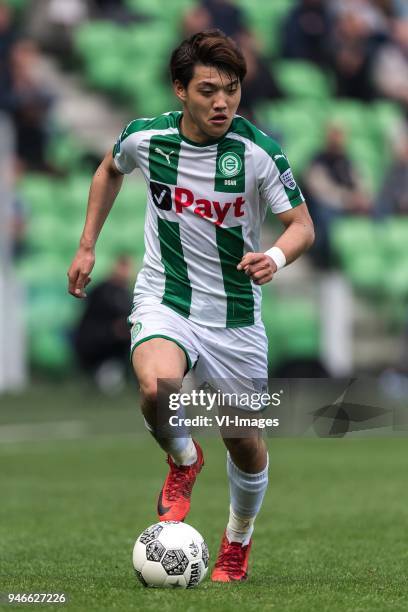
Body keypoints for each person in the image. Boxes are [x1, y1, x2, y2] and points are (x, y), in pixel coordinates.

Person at [67, 30, 314, 582]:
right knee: (157, 387)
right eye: (208, 90)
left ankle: (237, 542)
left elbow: (302, 227)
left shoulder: (258, 153)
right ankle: (183, 459)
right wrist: (87, 245)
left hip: (235, 318)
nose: (222, 101)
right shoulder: (146, 138)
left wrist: (274, 255)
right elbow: (109, 169)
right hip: (166, 296)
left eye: (231, 89)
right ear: (180, 90)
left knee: (246, 445)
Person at [304, 123, 370, 267]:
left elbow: (359, 181)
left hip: (349, 204)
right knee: (326, 216)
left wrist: (360, 196)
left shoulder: (347, 160)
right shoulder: (318, 159)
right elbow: (319, 189)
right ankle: (324, 262)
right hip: (329, 206)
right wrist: (346, 199)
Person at [72, 254, 133, 392]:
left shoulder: (124, 292)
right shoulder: (103, 291)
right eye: (123, 267)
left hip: (109, 342)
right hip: (95, 342)